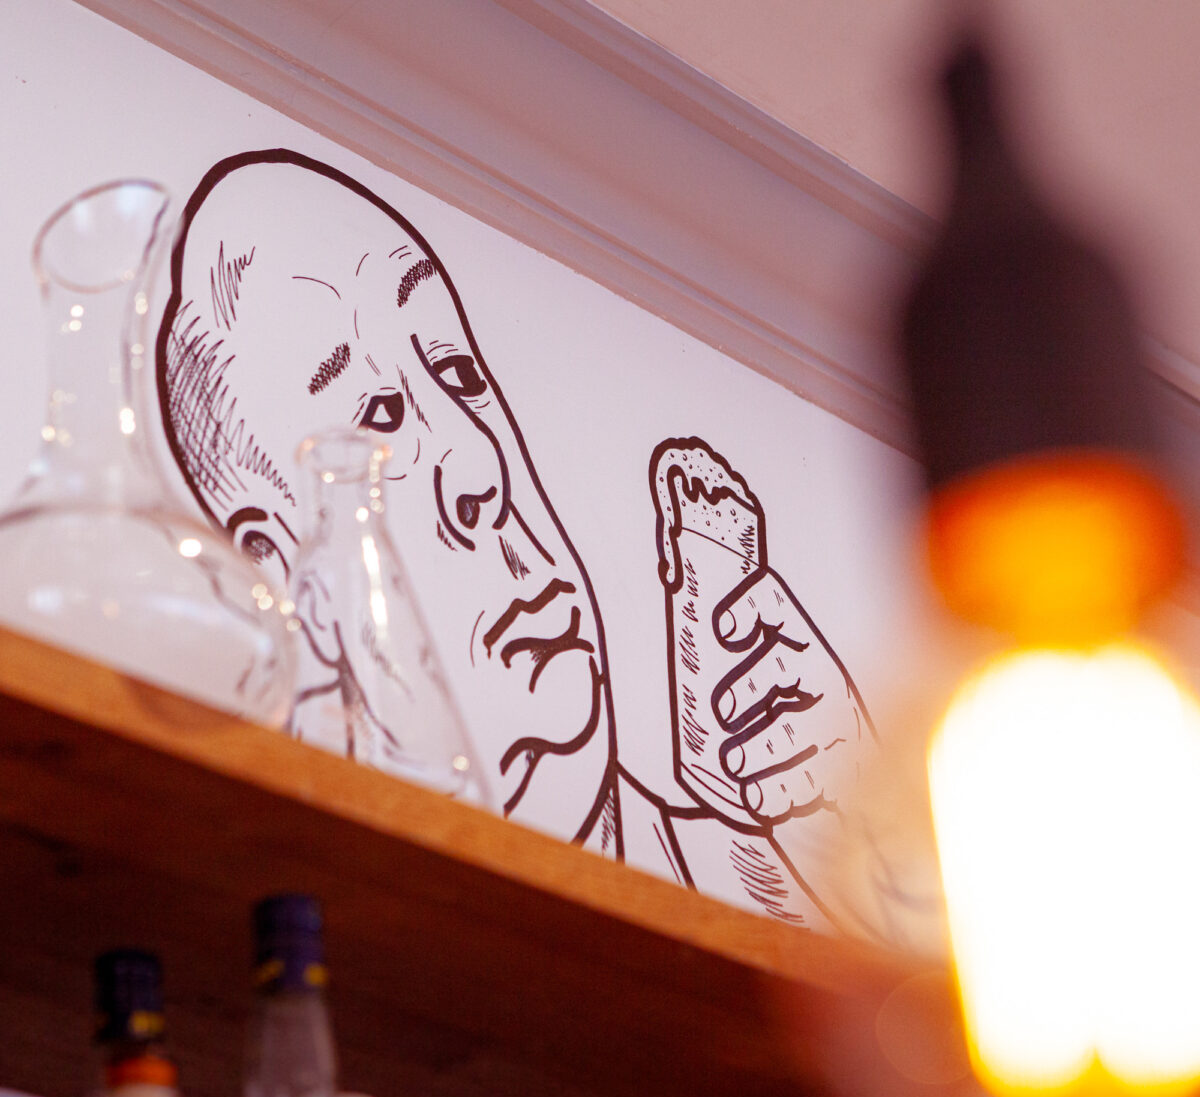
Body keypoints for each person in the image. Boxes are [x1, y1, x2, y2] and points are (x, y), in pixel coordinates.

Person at [156, 149, 875, 929]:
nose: (481, 465)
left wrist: (862, 845)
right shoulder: (300, 919)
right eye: (378, 415)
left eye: (461, 377)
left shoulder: (763, 887)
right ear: (286, 571)